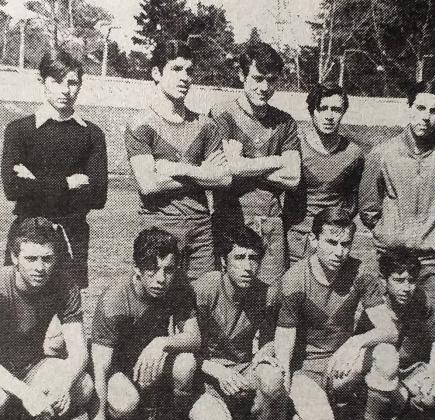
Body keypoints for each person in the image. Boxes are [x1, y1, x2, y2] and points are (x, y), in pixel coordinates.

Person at [358, 80, 435, 313]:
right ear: (409, 108)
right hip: (394, 259)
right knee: (389, 330)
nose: (425, 117)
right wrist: (389, 236)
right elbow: (369, 207)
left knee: (432, 334)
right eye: (420, 108)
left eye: (433, 111)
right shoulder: (383, 153)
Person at [0, 217, 94, 419]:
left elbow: (79, 352)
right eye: (31, 259)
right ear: (15, 257)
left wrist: (64, 384)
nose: (40, 268)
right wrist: (26, 394)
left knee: (83, 386)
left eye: (47, 259)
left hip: (31, 365)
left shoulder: (65, 285)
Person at [124, 39, 231, 282]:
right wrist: (203, 175)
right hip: (159, 226)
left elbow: (224, 178)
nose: (185, 77)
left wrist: (175, 169)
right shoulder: (141, 124)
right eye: (176, 69)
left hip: (201, 228)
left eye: (189, 71)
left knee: (202, 304)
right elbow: (149, 185)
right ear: (156, 73)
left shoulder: (205, 124)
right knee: (158, 309)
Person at [2, 49, 108, 289]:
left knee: (66, 315)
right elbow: (13, 189)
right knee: (19, 310)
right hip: (26, 234)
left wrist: (36, 183)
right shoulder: (19, 130)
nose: (64, 90)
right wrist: (67, 184)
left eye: (72, 82)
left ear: (80, 85)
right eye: (56, 81)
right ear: (42, 82)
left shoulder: (92, 134)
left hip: (72, 234)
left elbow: (98, 196)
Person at [274, 208, 390, 420]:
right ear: (314, 240)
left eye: (345, 244)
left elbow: (390, 330)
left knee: (387, 357)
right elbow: (284, 348)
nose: (339, 252)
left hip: (342, 364)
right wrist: (287, 398)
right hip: (306, 370)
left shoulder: (360, 272)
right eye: (331, 242)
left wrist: (356, 342)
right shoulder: (295, 280)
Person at [211, 41, 301, 285]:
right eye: (257, 78)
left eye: (271, 80)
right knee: (229, 299)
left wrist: (243, 163)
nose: (264, 87)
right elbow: (226, 170)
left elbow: (293, 177)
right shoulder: (222, 115)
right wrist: (276, 161)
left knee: (271, 299)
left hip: (272, 224)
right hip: (232, 220)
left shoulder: (285, 122)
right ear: (242, 75)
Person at [91, 227, 200, 420]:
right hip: (119, 367)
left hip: (154, 357)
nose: (161, 279)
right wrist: (98, 415)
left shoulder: (179, 285)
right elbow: (101, 365)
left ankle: (176, 416)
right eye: (152, 269)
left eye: (168, 270)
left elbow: (194, 338)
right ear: (137, 268)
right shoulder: (114, 299)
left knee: (186, 363)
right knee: (126, 403)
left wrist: (161, 342)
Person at [189, 226, 285, 420]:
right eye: (240, 258)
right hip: (206, 377)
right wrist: (217, 371)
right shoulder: (204, 290)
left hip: (243, 371)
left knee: (273, 378)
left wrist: (265, 352)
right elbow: (185, 350)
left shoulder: (266, 294)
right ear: (224, 261)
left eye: (254, 258)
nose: (248, 267)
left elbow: (274, 338)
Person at [361, 249, 435, 420]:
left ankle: (406, 410)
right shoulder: (375, 305)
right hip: (382, 369)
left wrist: (433, 370)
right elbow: (364, 346)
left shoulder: (421, 300)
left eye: (412, 281)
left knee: (431, 395)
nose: (406, 288)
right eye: (399, 281)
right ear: (384, 281)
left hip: (410, 370)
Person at [284, 83, 364, 264]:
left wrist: (337, 227)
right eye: (323, 108)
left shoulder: (353, 153)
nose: (329, 116)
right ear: (312, 111)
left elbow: (354, 199)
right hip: (296, 240)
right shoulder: (294, 147)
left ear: (343, 112)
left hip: (333, 243)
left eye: (336, 109)